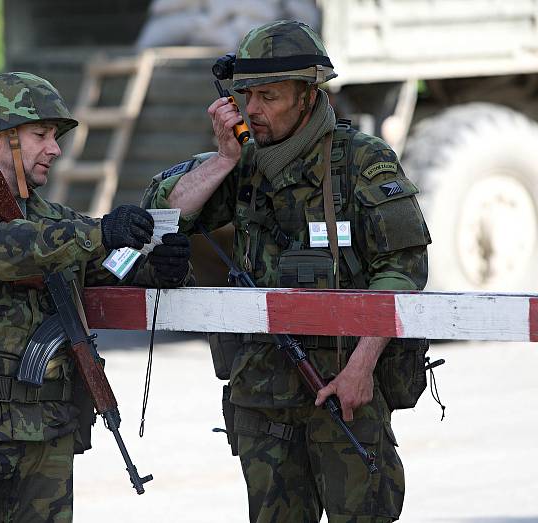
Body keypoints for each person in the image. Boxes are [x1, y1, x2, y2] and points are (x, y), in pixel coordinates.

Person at [145, 20, 431, 522]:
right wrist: (224, 159)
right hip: (263, 397)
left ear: (307, 94)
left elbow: (402, 271)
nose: (254, 110)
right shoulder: (240, 164)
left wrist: (361, 369)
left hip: (345, 388)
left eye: (269, 96)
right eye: (246, 95)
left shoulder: (362, 162)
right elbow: (164, 215)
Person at [0, 72, 191, 522]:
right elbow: (0, 249)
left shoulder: (56, 220)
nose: (55, 149)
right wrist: (98, 231)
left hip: (44, 435)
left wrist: (155, 267)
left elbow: (102, 270)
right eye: (41, 134)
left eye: (55, 136)